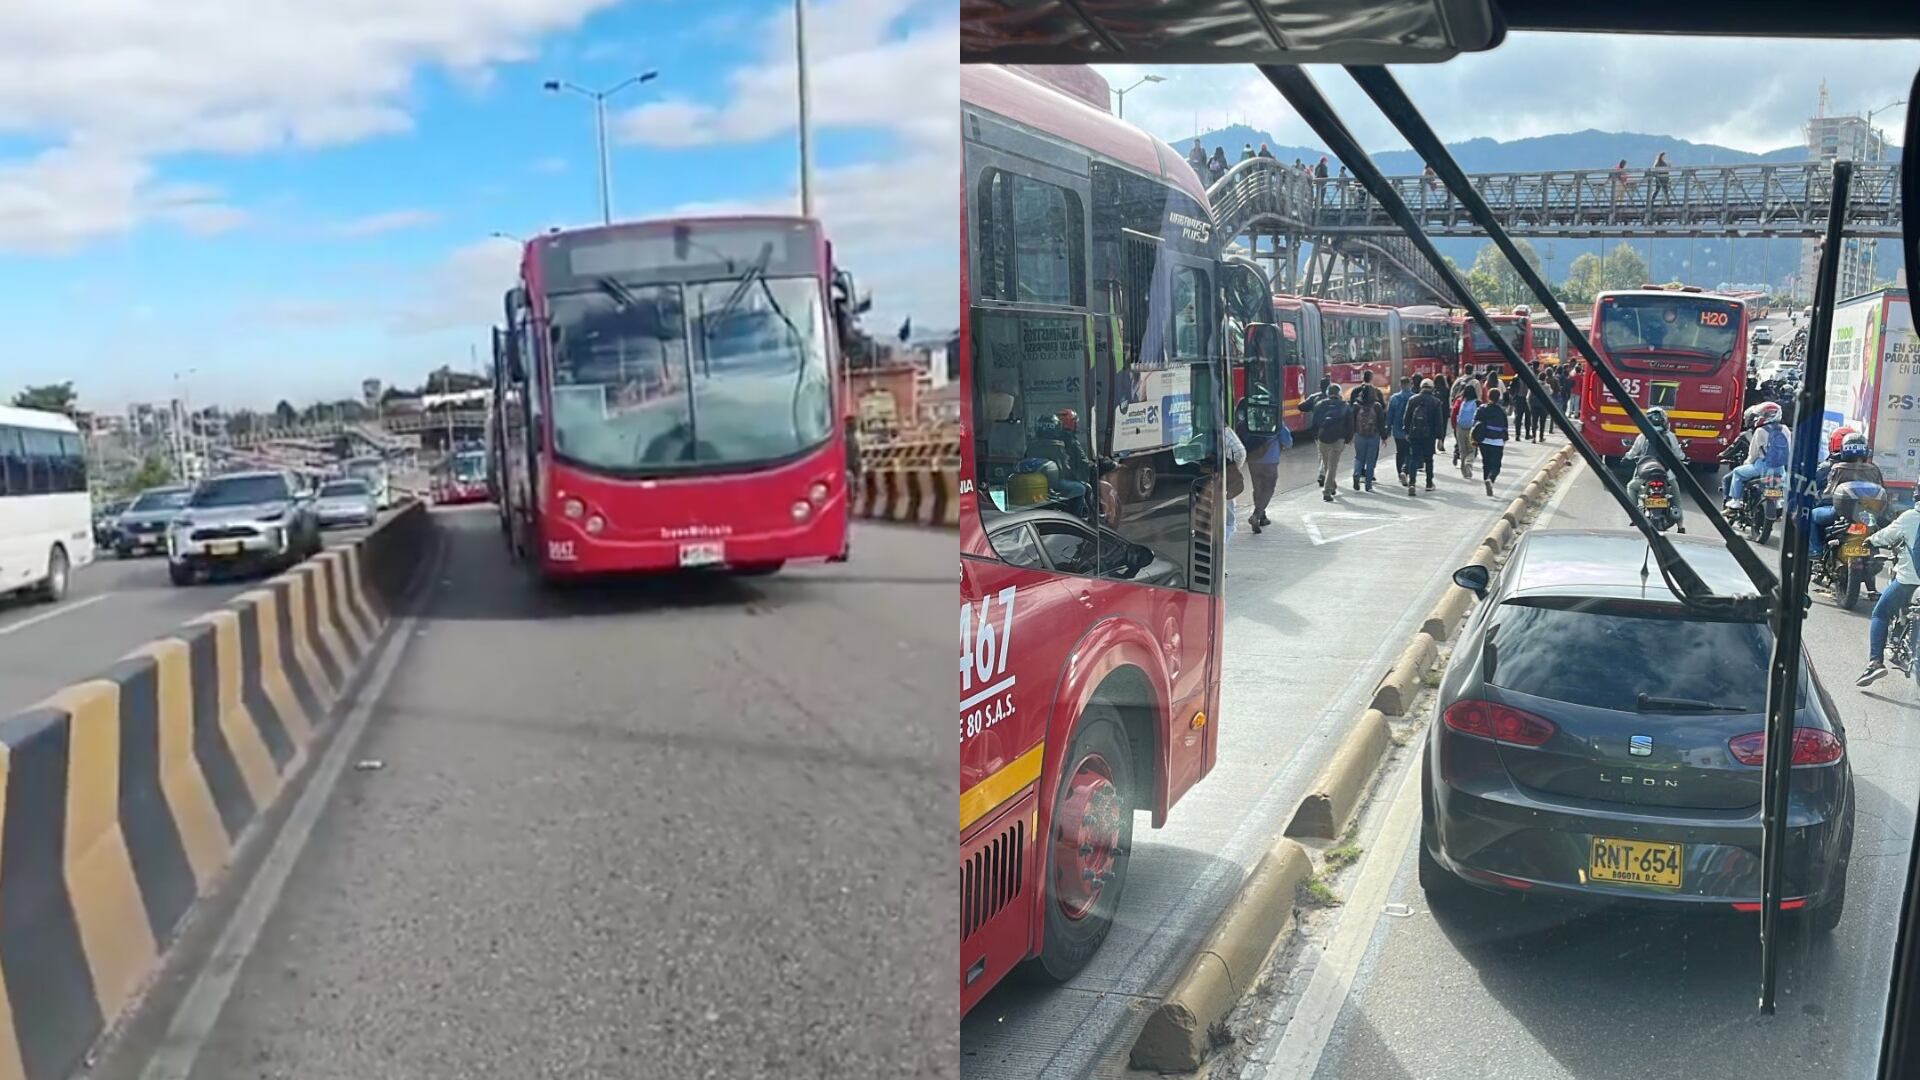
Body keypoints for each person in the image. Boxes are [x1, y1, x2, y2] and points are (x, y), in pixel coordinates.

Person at [1857, 503, 1919, 686]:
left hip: (1909, 581)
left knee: (1880, 613)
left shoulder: (1911, 516)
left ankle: (1875, 663)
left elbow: (1887, 534)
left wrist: (1870, 540)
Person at [1809, 433, 1885, 559]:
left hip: (1838, 513)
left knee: (1812, 516)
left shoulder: (1837, 468)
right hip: (1866, 515)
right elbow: (1882, 492)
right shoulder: (1873, 470)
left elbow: (1828, 494)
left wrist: (1818, 497)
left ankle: (1816, 550)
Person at [1624, 407, 1687, 531]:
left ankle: (1635, 515)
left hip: (1645, 476)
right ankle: (1680, 526)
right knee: (1676, 498)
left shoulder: (1643, 436)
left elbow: (1633, 452)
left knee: (1631, 487)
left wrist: (1627, 457)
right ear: (1664, 420)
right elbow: (1678, 454)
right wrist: (1684, 457)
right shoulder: (1670, 436)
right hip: (1667, 475)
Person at [1238, 401, 1291, 534]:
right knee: (1268, 488)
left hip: (1253, 460)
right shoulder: (1275, 421)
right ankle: (1256, 515)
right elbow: (1288, 442)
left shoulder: (1246, 423)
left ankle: (1262, 515)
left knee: (1258, 488)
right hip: (1270, 461)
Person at [1725, 400, 1789, 506]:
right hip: (1780, 468)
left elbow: (1753, 453)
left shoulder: (1760, 431)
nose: (1760, 417)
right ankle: (1777, 500)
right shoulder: (1785, 430)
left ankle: (1736, 501)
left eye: (1764, 415)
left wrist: (1748, 462)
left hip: (1762, 467)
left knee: (1737, 472)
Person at [1310, 385, 1354, 502]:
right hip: (1338, 439)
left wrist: (1316, 437)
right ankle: (1327, 490)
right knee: (1333, 466)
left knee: (1326, 465)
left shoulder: (1320, 405)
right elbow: (1350, 424)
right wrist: (1348, 439)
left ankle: (1330, 486)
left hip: (1323, 439)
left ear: (1328, 393)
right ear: (1339, 394)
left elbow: (1314, 423)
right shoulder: (1345, 406)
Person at [1403, 379, 1446, 495]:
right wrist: (1440, 437)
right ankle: (1429, 483)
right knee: (1429, 459)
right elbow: (1439, 422)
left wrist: (1406, 432)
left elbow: (1406, 418)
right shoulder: (1436, 402)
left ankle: (1412, 483)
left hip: (1414, 434)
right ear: (1432, 388)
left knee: (1414, 459)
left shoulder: (1412, 400)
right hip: (1429, 436)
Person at [1471, 388, 1510, 496]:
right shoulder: (1502, 411)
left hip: (1483, 441)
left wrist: (1474, 439)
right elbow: (1505, 428)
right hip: (1497, 442)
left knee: (1486, 463)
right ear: (1499, 398)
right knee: (1496, 465)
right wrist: (1504, 440)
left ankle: (1486, 481)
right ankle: (1491, 479)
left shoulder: (1482, 408)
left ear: (1488, 396)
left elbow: (1474, 424)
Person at [1350, 385, 1386, 492]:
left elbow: (1352, 421)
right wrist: (1384, 437)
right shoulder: (1377, 406)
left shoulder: (1356, 405)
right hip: (1373, 436)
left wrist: (1351, 435)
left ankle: (1357, 473)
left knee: (1359, 457)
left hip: (1359, 436)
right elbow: (1381, 423)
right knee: (1370, 460)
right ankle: (1368, 484)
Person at [1221, 422, 1249, 550]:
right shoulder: (1225, 431)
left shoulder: (1197, 429)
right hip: (1224, 482)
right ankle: (1220, 552)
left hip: (1204, 481)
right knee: (1229, 523)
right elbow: (1240, 452)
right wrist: (1233, 468)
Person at [1387, 374, 1414, 486]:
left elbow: (1389, 415)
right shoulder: (1414, 398)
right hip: (1410, 430)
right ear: (1409, 385)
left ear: (1400, 385)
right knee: (1409, 452)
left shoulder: (1394, 398)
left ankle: (1399, 473)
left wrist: (1387, 428)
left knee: (1399, 452)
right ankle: (1405, 471)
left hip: (1397, 430)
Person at [1452, 385, 1480, 480]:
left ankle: (1465, 473)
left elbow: (1455, 413)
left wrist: (1454, 426)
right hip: (1471, 428)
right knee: (1472, 449)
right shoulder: (1477, 403)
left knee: (1462, 450)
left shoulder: (1461, 401)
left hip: (1460, 427)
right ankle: (1468, 463)